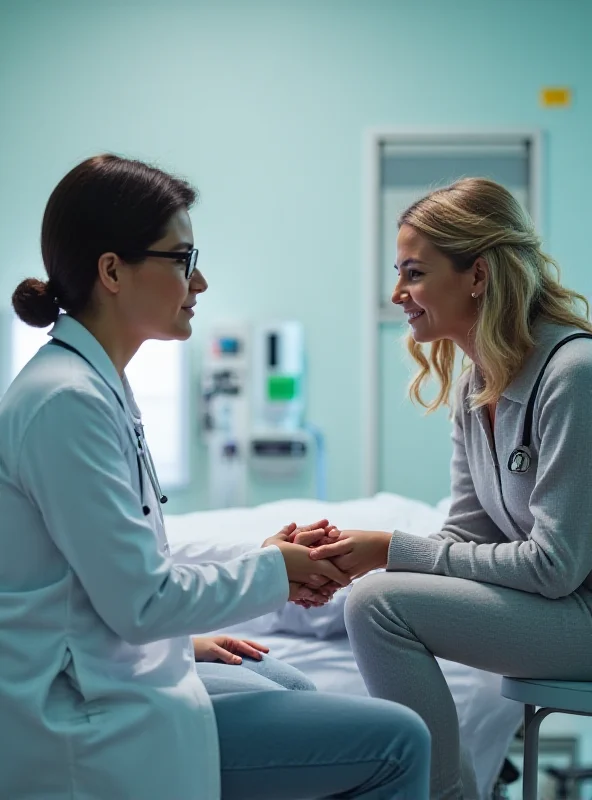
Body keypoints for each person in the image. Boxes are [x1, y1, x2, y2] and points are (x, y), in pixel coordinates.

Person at [0, 153, 430, 800]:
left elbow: (111, 573)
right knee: (401, 740)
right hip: (84, 720)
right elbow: (142, 602)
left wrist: (259, 566)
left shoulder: (91, 385)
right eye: (183, 261)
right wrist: (279, 572)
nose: (198, 284)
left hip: (106, 669)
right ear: (112, 271)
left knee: (290, 683)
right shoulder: (67, 403)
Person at [296, 178, 592, 799]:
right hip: (562, 610)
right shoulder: (474, 386)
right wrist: (350, 557)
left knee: (380, 604)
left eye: (414, 273)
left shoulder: (573, 374)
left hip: (581, 608)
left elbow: (555, 567)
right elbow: (467, 536)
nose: (397, 294)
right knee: (374, 593)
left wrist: (390, 552)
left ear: (478, 275)